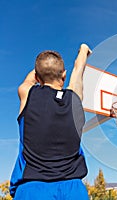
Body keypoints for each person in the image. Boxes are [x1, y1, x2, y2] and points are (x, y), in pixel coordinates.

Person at [10, 44, 92, 199]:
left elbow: (30, 80)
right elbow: (78, 69)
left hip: (33, 188)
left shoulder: (27, 93)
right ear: (64, 76)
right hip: (73, 189)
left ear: (37, 78)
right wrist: (83, 51)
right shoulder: (74, 99)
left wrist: (42, 67)